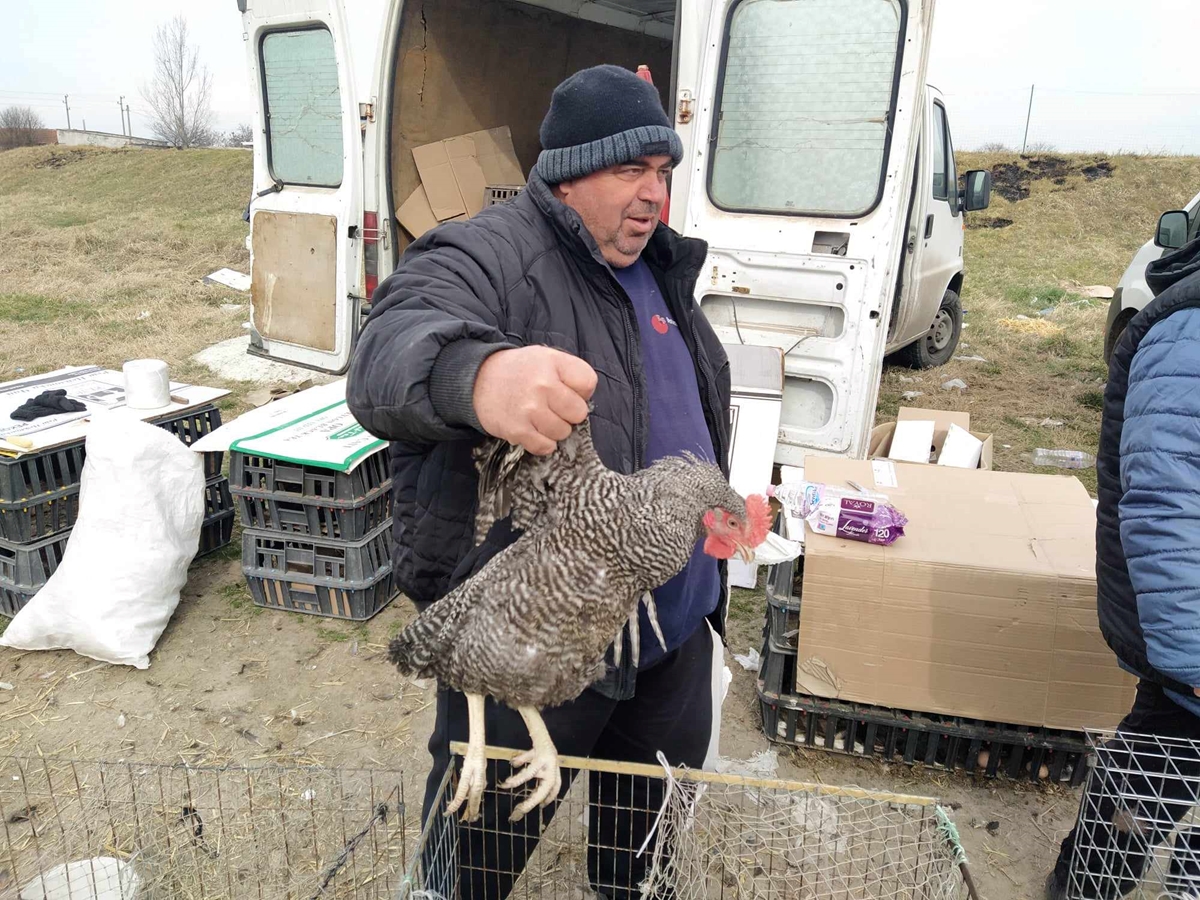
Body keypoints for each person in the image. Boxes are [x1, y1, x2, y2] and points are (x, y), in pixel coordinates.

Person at [347, 64, 731, 899]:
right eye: (630, 170)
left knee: (643, 867)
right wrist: (475, 375)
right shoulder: (490, 251)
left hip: (670, 643)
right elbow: (384, 352)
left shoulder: (661, 268)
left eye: (662, 172)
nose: (653, 194)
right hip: (531, 642)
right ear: (567, 170)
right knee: (468, 871)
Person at [1046, 236, 1200, 900]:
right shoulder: (1188, 332)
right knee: (1142, 788)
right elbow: (1164, 504)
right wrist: (1195, 663)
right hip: (1192, 662)